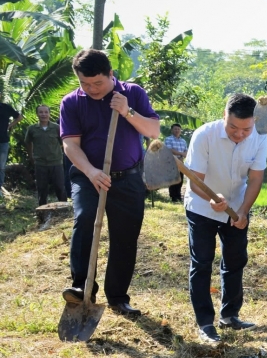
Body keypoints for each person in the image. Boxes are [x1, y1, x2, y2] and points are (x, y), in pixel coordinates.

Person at [60, 48, 161, 316]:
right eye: (85, 83)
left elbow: (153, 131)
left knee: (125, 236)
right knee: (85, 221)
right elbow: (70, 145)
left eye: (98, 83)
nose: (92, 88)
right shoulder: (71, 102)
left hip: (128, 178)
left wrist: (127, 112)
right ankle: (82, 287)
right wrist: (92, 172)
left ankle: (117, 296)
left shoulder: (133, 93)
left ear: (111, 75)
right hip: (87, 175)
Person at [184, 93, 267, 344]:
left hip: (237, 206)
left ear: (254, 122)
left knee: (235, 260)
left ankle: (230, 315)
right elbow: (195, 179)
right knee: (202, 261)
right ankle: (205, 323)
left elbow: (255, 179)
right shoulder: (204, 135)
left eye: (246, 129)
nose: (240, 134)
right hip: (202, 205)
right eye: (233, 127)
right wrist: (211, 198)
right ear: (224, 115)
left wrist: (243, 211)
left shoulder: (260, 136)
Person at [24, 105, 67, 205]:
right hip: (40, 163)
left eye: (46, 112)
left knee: (60, 188)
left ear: (49, 113)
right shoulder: (32, 129)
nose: (43, 114)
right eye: (41, 112)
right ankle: (42, 215)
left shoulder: (56, 128)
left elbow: (63, 142)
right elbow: (28, 142)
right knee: (42, 189)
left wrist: (54, 151)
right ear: (37, 114)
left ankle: (64, 211)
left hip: (56, 162)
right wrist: (31, 157)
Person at [0, 99, 21, 196]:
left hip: (3, 141)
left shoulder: (5, 107)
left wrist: (9, 125)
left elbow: (19, 117)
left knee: (1, 167)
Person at [163, 123, 188, 202]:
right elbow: (169, 150)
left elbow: (186, 150)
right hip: (172, 162)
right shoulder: (168, 139)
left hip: (181, 162)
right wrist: (181, 154)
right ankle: (173, 197)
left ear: (180, 130)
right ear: (172, 130)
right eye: (175, 129)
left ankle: (178, 196)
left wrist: (184, 155)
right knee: (173, 180)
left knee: (180, 179)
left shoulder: (183, 141)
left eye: (178, 129)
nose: (177, 130)